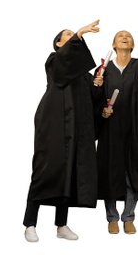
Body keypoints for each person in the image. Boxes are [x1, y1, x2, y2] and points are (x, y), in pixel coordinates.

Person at [23, 20, 102, 242]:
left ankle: (61, 224)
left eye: (73, 35)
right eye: (67, 35)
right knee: (45, 169)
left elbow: (92, 102)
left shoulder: (83, 75)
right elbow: (62, 69)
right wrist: (79, 33)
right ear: (58, 44)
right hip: (54, 123)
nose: (73, 37)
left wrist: (97, 85)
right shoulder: (54, 59)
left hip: (76, 127)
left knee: (70, 171)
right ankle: (30, 223)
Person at [95, 25, 138, 235]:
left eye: (128, 37)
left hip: (135, 124)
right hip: (110, 126)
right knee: (109, 169)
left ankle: (129, 216)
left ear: (133, 45)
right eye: (120, 36)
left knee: (133, 169)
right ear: (113, 45)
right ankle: (112, 217)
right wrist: (99, 101)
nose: (124, 37)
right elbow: (93, 98)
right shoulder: (103, 70)